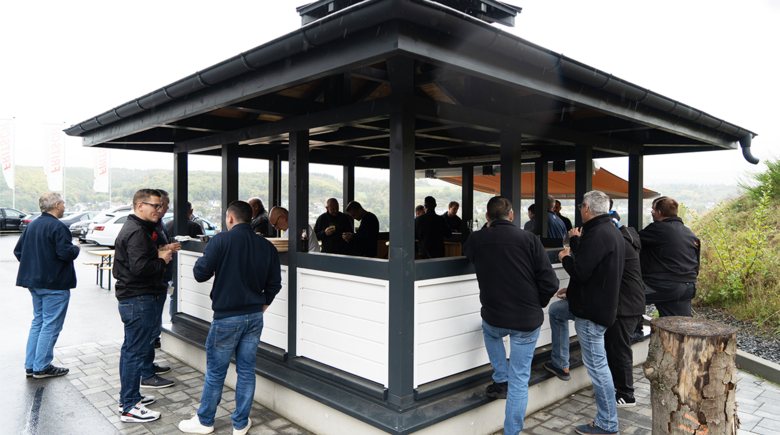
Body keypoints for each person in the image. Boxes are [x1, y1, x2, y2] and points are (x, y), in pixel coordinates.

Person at [178, 201, 282, 435]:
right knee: (246, 371)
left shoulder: (220, 240)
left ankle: (205, 421)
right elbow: (275, 284)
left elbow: (200, 274)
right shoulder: (267, 246)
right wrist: (262, 306)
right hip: (254, 317)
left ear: (230, 218)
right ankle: (240, 423)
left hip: (226, 317)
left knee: (216, 372)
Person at [462, 196, 559, 435]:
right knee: (520, 380)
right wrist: (537, 303)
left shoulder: (476, 239)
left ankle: (500, 377)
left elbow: (469, 254)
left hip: (494, 316)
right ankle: (511, 431)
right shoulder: (530, 239)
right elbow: (550, 283)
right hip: (527, 320)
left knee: (489, 332)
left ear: (487, 217)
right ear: (512, 215)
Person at [548, 190, 624, 435]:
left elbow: (580, 272)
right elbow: (597, 272)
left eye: (581, 206)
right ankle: (561, 364)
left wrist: (565, 257)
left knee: (598, 368)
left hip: (591, 313)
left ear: (587, 209)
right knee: (556, 311)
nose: (580, 209)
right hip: (595, 303)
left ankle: (607, 424)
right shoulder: (611, 230)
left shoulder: (597, 234)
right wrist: (572, 292)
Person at [113, 189, 174, 423]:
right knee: (135, 352)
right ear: (140, 206)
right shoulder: (137, 231)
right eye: (155, 206)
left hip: (135, 297)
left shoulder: (138, 228)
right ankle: (130, 406)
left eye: (160, 206)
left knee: (131, 349)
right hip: (138, 298)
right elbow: (139, 268)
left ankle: (129, 398)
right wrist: (161, 259)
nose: (159, 210)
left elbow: (136, 262)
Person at [15, 192, 80, 379]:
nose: (65, 207)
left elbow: (18, 252)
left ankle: (31, 365)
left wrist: (36, 266)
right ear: (57, 205)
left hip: (34, 283)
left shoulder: (32, 225)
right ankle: (41, 367)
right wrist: (76, 248)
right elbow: (65, 253)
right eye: (63, 204)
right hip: (55, 284)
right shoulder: (58, 227)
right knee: (50, 325)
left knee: (38, 322)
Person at [605, 225, 645, 408]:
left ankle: (626, 395)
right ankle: (619, 389)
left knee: (620, 351)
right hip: (633, 302)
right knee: (617, 348)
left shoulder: (620, 244)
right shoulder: (628, 240)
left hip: (626, 305)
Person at [640, 196, 700, 317]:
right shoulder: (690, 234)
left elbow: (633, 241)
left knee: (625, 295)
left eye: (653, 209)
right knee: (679, 324)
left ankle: (634, 327)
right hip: (688, 287)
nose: (651, 212)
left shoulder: (657, 228)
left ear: (659, 213)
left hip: (664, 285)